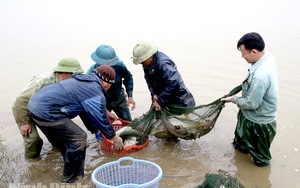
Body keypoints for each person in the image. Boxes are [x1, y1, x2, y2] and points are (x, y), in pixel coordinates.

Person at [27, 65, 124, 183]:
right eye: (111, 84)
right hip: (46, 112)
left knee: (67, 139)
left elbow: (84, 111)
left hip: (34, 107)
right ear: (106, 82)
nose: (110, 87)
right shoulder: (94, 90)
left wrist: (95, 129)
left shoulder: (83, 80)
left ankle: (69, 167)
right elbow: (101, 119)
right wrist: (114, 137)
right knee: (79, 138)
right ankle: (72, 180)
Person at [221, 32, 278, 167]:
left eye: (243, 53)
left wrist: (234, 99)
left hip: (259, 122)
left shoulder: (261, 75)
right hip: (247, 116)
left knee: (260, 159)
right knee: (240, 146)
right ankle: (241, 169)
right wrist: (247, 83)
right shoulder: (267, 57)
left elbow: (252, 103)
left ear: (253, 51)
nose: (242, 56)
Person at [12, 57, 84, 159]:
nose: (76, 77)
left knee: (57, 139)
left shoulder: (66, 83)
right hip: (24, 109)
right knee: (33, 140)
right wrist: (24, 123)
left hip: (43, 111)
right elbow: (21, 100)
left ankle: (52, 155)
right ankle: (32, 163)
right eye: (74, 74)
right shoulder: (43, 82)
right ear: (66, 73)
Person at [132, 41, 195, 111]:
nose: (141, 63)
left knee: (183, 120)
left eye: (142, 61)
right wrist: (154, 94)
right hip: (166, 99)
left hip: (181, 101)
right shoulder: (147, 64)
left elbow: (174, 84)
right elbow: (149, 81)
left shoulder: (163, 64)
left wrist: (160, 101)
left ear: (149, 56)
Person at [87, 44, 135, 121]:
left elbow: (128, 78)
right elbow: (89, 95)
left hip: (119, 98)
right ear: (98, 61)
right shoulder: (91, 73)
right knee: (102, 123)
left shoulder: (120, 66)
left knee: (128, 122)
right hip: (102, 101)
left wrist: (130, 96)